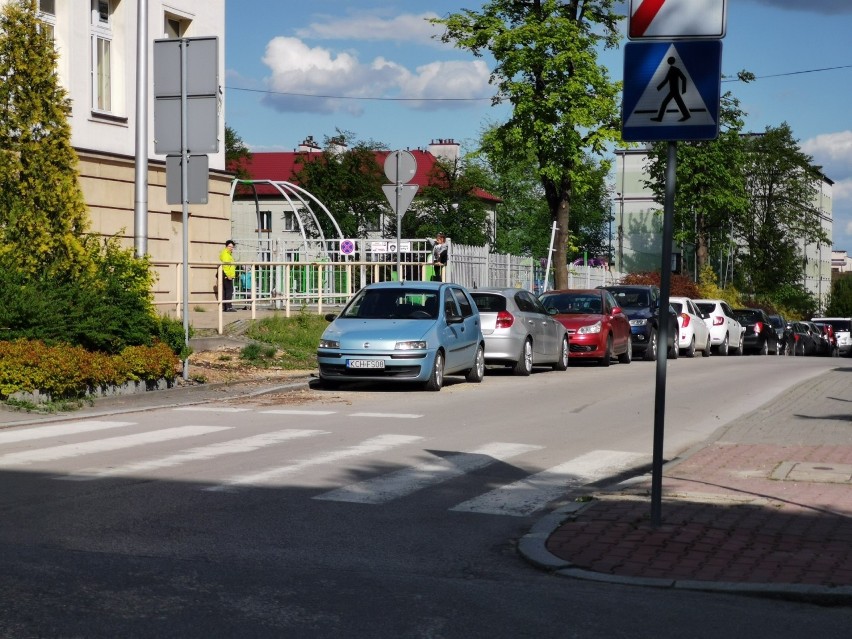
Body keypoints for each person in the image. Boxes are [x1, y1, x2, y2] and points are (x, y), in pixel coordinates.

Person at [219, 239, 237, 312]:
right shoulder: (226, 254)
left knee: (226, 290)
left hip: (227, 274)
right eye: (229, 246)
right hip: (227, 274)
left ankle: (226, 306)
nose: (231, 248)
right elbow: (226, 265)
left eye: (232, 247)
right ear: (226, 246)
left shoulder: (228, 253)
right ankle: (228, 307)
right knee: (229, 290)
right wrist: (228, 275)